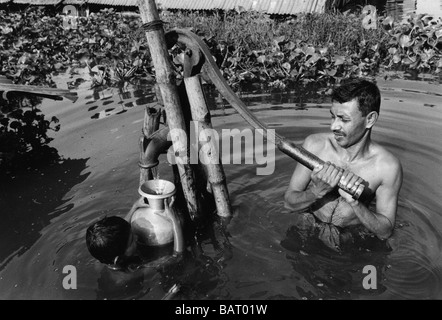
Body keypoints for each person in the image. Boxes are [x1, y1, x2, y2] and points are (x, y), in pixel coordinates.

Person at [284, 78, 403, 251]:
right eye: (332, 117)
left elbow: (385, 231)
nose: (333, 126)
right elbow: (288, 203)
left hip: (349, 244)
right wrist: (316, 191)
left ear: (370, 119)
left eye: (343, 119)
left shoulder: (387, 167)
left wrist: (355, 203)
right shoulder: (315, 145)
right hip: (306, 232)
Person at [86, 196, 184, 271]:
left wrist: (134, 206)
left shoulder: (104, 257)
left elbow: (122, 231)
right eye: (132, 240)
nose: (137, 237)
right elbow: (177, 257)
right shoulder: (133, 269)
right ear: (119, 260)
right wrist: (174, 221)